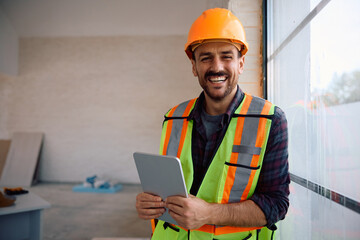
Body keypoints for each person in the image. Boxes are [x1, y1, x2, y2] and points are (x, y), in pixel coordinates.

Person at [135, 8, 290, 240]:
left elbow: (276, 204)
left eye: (226, 56)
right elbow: (168, 190)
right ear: (194, 66)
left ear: (241, 63)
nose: (216, 66)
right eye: (205, 57)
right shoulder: (173, 118)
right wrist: (150, 203)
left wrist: (209, 213)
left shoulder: (270, 120)